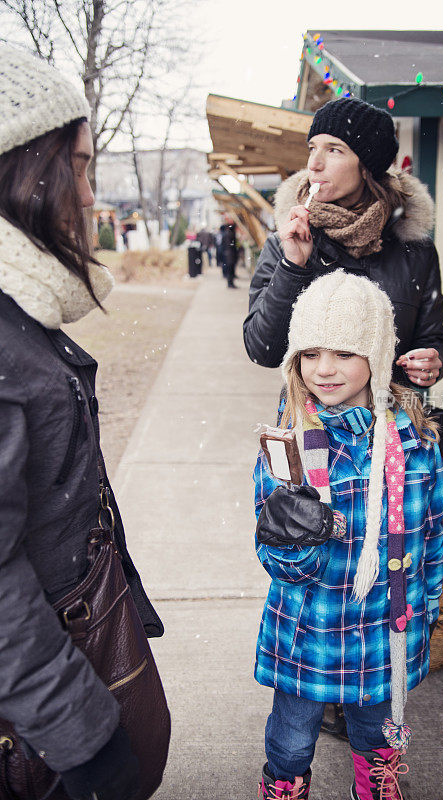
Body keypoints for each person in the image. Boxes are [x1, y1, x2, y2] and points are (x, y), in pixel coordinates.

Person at [0, 46, 168, 800]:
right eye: (81, 166)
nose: (93, 195)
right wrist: (87, 742)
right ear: (25, 170)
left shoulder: (24, 313)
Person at [254, 271, 443, 800]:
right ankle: (285, 784)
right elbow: (275, 560)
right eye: (310, 353)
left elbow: (430, 536)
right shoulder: (289, 444)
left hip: (385, 629)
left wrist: (426, 610)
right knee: (292, 737)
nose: (324, 369)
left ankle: (376, 783)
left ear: (378, 358)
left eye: (343, 353)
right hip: (310, 628)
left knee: (376, 731)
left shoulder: (416, 443)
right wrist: (293, 539)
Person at [243, 97, 443, 488]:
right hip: (315, 436)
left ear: (366, 166)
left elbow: (432, 335)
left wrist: (433, 362)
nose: (314, 163)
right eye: (313, 148)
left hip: (397, 436)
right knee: (314, 541)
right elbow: (262, 349)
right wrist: (293, 265)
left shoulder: (414, 248)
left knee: (400, 542)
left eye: (334, 150)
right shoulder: (289, 240)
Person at [222, 221, 238, 288]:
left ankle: (230, 283)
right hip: (230, 254)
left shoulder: (226, 234)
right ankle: (230, 283)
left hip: (227, 254)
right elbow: (232, 245)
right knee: (230, 269)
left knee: (230, 269)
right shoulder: (231, 234)